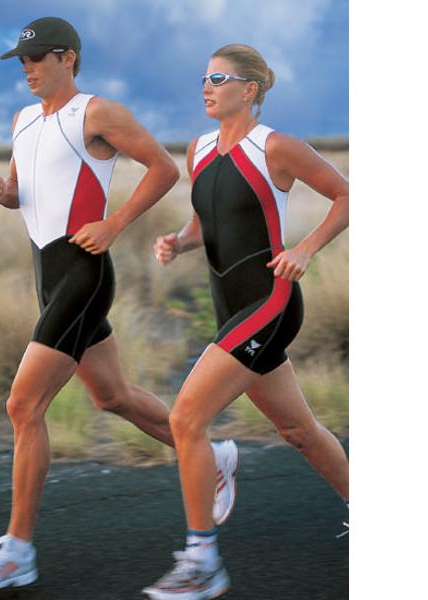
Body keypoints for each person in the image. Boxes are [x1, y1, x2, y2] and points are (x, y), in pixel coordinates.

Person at [0, 17, 239, 591]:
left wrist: (114, 223)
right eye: (22, 61)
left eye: (38, 58)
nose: (28, 69)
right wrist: (2, 194)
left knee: (23, 406)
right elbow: (23, 193)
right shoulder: (22, 120)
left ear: (69, 59)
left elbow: (162, 168)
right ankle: (217, 456)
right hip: (48, 276)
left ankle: (16, 552)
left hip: (83, 276)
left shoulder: (97, 114)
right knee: (111, 397)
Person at [144, 44, 349, 600]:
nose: (205, 87)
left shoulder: (275, 147)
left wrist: (305, 248)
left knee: (186, 418)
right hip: (229, 306)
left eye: (218, 79)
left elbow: (345, 196)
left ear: (249, 90)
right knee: (298, 431)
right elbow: (206, 221)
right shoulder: (199, 149)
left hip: (270, 303)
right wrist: (179, 242)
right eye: (204, 77)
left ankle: (202, 562)